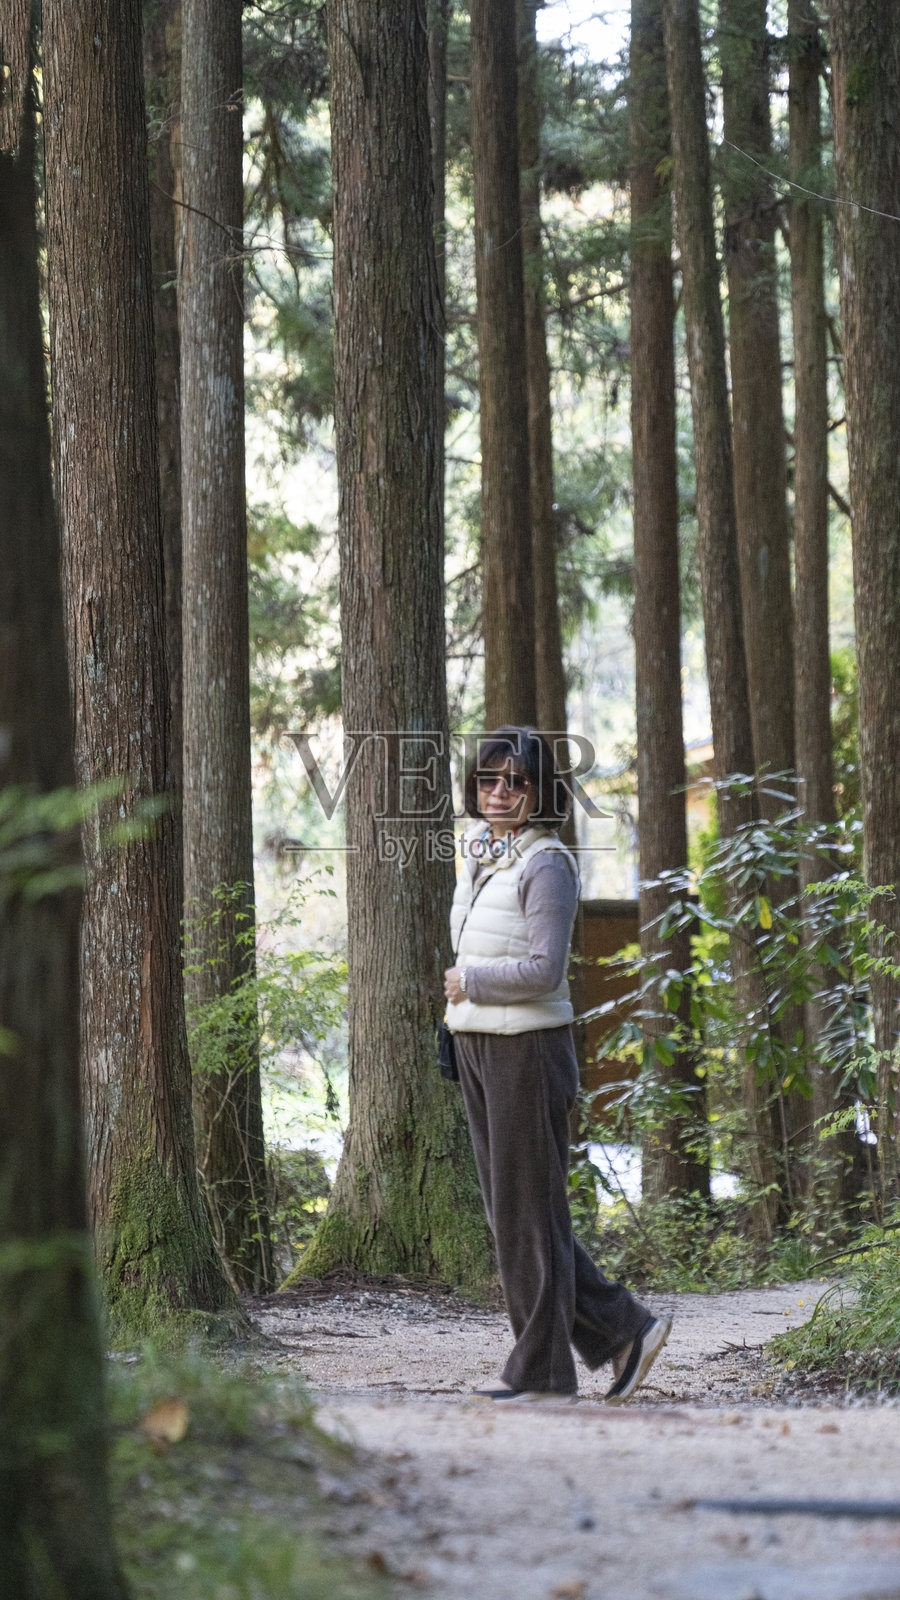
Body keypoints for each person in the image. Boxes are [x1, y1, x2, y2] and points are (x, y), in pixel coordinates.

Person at [444, 726, 671, 1403]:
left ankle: (543, 1371)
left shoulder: (547, 862)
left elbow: (544, 969)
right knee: (516, 1213)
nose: (501, 791)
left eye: (517, 780)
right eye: (490, 779)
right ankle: (624, 1330)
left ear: (543, 792)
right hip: (480, 1043)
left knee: (528, 1216)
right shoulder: (487, 853)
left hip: (527, 1050)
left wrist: (472, 982)